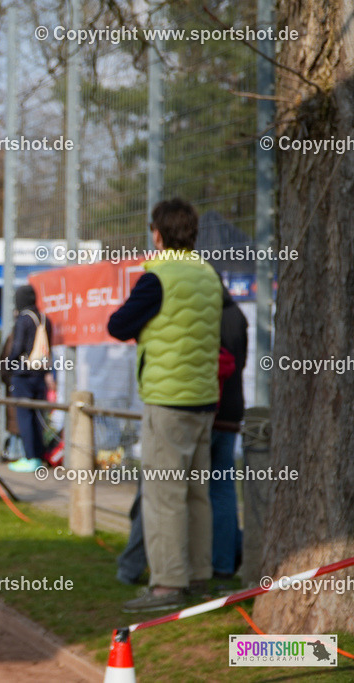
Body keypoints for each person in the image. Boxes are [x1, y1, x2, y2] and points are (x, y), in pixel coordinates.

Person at [108, 198, 222, 612]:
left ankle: (167, 586)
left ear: (157, 232)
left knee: (163, 495)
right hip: (205, 399)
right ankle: (198, 577)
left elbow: (117, 325)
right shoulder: (209, 274)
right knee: (196, 494)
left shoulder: (157, 276)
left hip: (168, 399)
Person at [211, 285, 246, 579]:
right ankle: (225, 562)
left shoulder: (205, 314)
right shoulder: (238, 314)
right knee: (223, 490)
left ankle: (204, 563)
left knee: (196, 491)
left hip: (209, 408)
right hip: (233, 408)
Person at [0, 285, 56, 473]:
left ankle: (30, 457)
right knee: (38, 415)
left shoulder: (23, 319)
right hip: (40, 373)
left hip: (23, 374)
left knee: (24, 416)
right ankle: (39, 455)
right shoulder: (45, 319)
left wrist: (8, 366)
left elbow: (17, 348)